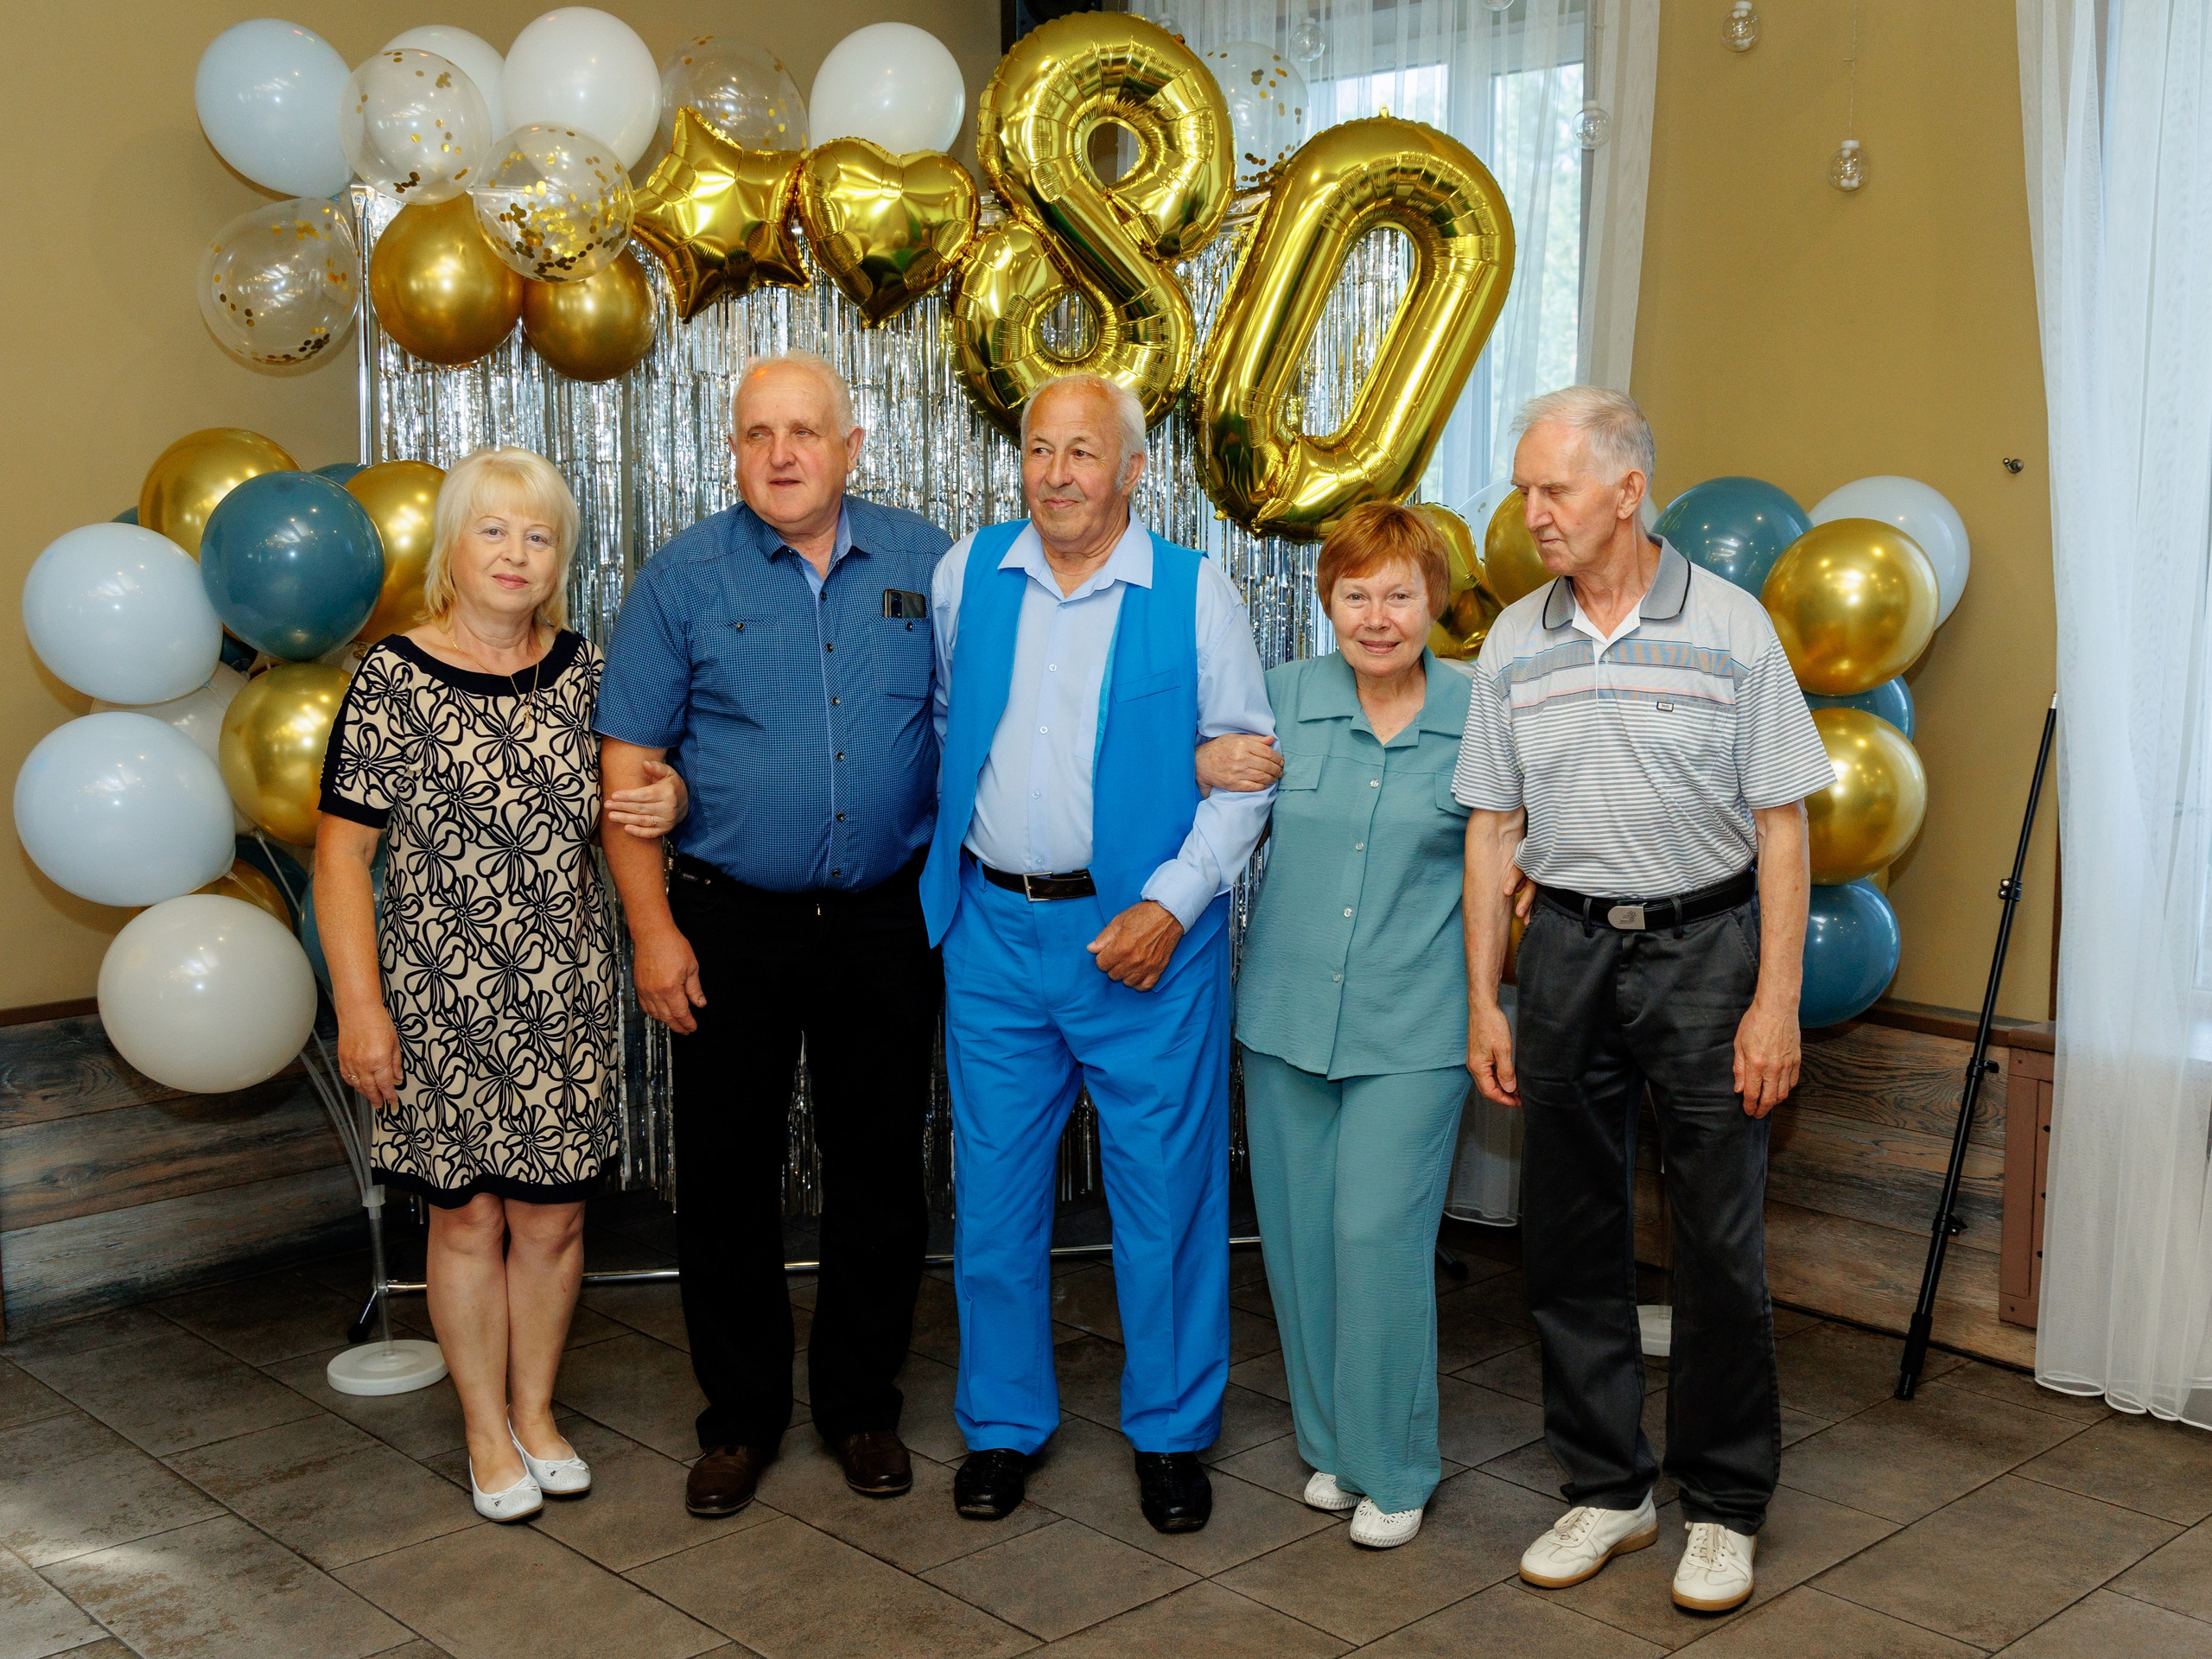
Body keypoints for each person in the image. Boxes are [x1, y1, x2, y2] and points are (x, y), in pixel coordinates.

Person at [1456, 388, 1832, 1612]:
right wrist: (1485, 1001)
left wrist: (1775, 1003)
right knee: (1568, 1233)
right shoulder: (1514, 640)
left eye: (1552, 489)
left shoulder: (1730, 626)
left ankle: (1722, 1506)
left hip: (1706, 952)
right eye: (1524, 489)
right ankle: (1608, 1490)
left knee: (1718, 1242)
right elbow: (1491, 830)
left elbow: (1783, 828)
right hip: (1562, 950)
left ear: (1627, 491)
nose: (1531, 512)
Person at [595, 352, 952, 1517]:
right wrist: (653, 931)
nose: (782, 454)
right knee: (727, 1177)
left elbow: (985, 718)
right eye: (759, 433)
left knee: (879, 1173)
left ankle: (859, 1407)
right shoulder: (682, 577)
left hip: (886, 920)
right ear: (734, 451)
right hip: (726, 923)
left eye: (805, 432)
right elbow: (628, 768)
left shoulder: (927, 563)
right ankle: (740, 1420)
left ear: (852, 447)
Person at [925, 371, 1275, 1534]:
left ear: (1131, 470)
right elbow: (952, 732)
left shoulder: (1194, 590)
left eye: (1083, 452)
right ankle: (1001, 1424)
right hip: (992, 934)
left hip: (1147, 944)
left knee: (1166, 1198)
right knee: (994, 1198)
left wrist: (1171, 905)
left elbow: (1245, 769)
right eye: (1040, 449)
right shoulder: (968, 574)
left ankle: (1170, 1432)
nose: (1058, 473)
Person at [318, 445, 688, 1523]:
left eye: (537, 535)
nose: (515, 553)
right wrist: (361, 1010)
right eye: (493, 530)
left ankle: (536, 1413)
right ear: (453, 548)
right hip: (436, 1003)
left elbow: (642, 793)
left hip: (564, 997)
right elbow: (341, 859)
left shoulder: (589, 672)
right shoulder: (393, 679)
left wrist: (672, 797)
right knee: (467, 1221)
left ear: (559, 558)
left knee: (554, 1222)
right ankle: (484, 1432)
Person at [1232, 501, 1474, 1549]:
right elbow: (1204, 800)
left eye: (1400, 595)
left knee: (1376, 1237)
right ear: (1328, 601)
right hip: (1284, 1017)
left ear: (1435, 603)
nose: (1378, 617)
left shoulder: (1480, 714)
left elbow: (1516, 854)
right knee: (1299, 1244)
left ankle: (1397, 1465)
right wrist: (1203, 764)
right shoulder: (1277, 698)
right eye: (1356, 594)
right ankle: (1334, 1447)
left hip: (1416, 1025)